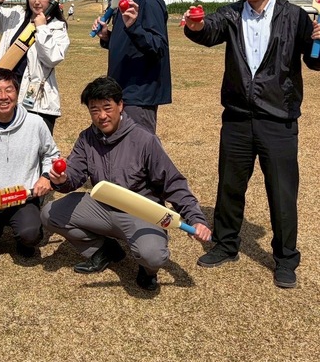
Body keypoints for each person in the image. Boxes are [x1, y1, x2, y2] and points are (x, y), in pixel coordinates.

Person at [183, 0, 320, 289]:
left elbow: (314, 61)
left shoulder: (295, 16)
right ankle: (226, 245)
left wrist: (319, 41)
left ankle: (286, 258)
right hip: (238, 119)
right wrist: (195, 25)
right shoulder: (230, 14)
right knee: (229, 186)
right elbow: (207, 30)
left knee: (282, 193)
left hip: (279, 119)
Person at [41, 76, 211, 291]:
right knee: (49, 213)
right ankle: (102, 251)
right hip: (101, 208)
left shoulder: (144, 140)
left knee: (153, 256)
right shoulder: (86, 138)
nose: (102, 116)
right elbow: (74, 173)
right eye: (95, 110)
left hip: (141, 212)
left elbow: (173, 183)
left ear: (120, 105)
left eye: (107, 107)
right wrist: (63, 179)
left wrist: (195, 218)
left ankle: (147, 270)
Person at [0, 68, 60, 270]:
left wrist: (45, 176)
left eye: (9, 90)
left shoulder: (35, 123)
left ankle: (23, 237)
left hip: (24, 199)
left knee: (30, 235)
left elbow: (52, 155)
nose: (3, 96)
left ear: (17, 92)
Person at [0, 0, 69, 134]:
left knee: (35, 151)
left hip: (38, 100)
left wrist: (41, 28)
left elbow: (52, 58)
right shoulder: (15, 16)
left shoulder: (57, 27)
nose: (37, 1)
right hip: (8, 92)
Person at [92, 0, 171, 134]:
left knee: (138, 151)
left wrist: (134, 26)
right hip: (120, 90)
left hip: (139, 94)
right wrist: (107, 37)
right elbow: (130, 42)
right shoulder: (125, 0)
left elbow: (158, 46)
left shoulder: (148, 0)